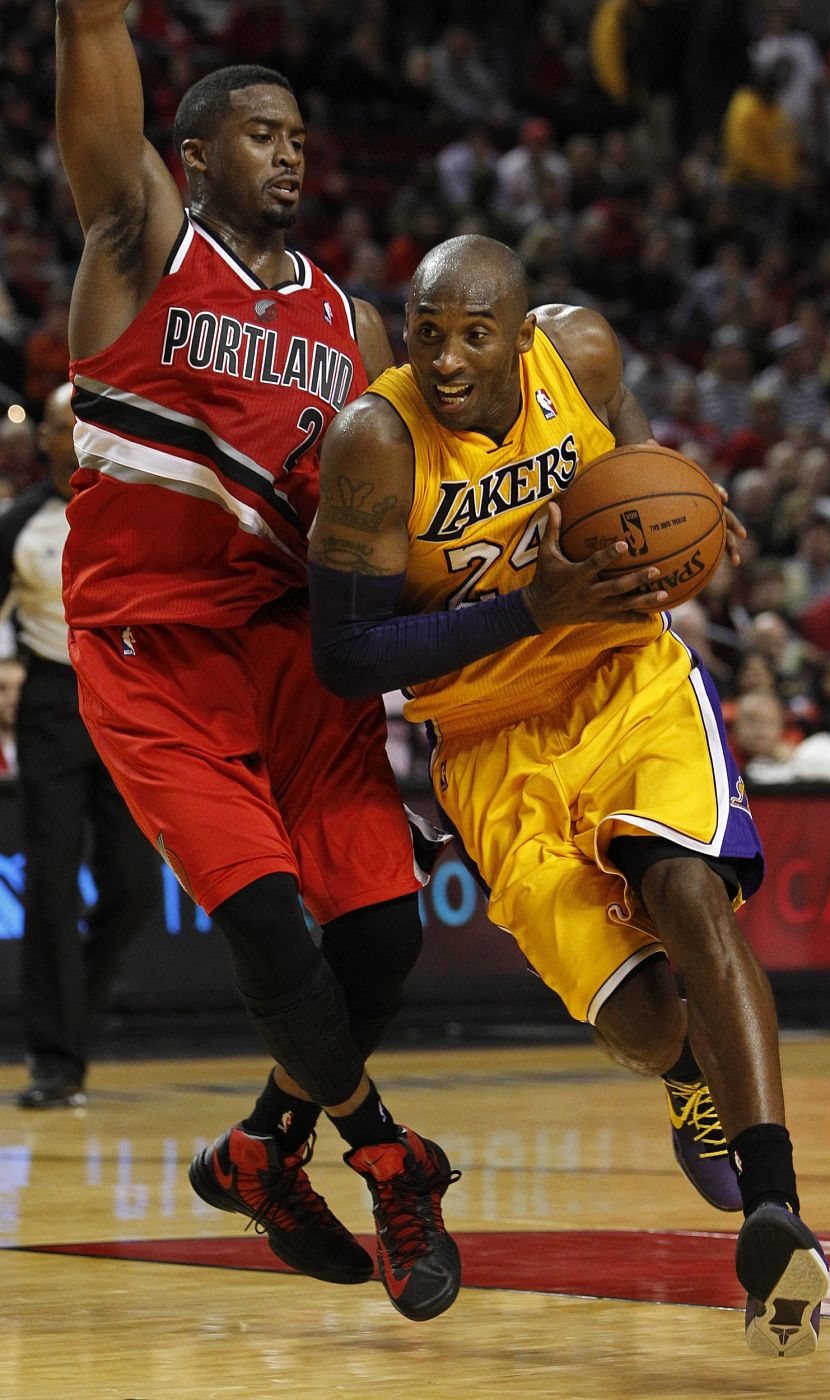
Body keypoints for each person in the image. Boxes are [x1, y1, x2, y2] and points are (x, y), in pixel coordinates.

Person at [307, 234, 830, 1359]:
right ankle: (687, 1075)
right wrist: (527, 611)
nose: (447, 358)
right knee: (640, 1020)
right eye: (427, 333)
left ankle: (777, 1207)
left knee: (690, 898)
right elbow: (345, 656)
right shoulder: (377, 443)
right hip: (487, 735)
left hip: (622, 674)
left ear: (520, 335)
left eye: (473, 335)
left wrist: (685, 510)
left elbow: (632, 456)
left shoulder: (581, 352)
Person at [55, 2, 459, 1322]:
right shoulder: (142, 243)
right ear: (195, 153)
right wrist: (89, 21)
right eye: (260, 133)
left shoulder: (355, 327)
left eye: (297, 135)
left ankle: (258, 1153)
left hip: (297, 646)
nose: (290, 153)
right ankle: (389, 1155)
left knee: (385, 933)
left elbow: (402, 524)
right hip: (155, 645)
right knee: (270, 924)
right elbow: (92, 60)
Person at [0, 384, 161, 1106]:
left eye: (82, 423)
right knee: (52, 880)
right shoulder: (19, 523)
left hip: (126, 696)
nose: (71, 437)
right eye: (60, 426)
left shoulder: (135, 507)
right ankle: (55, 1060)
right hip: (51, 703)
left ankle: (73, 1014)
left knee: (134, 882)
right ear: (42, 439)